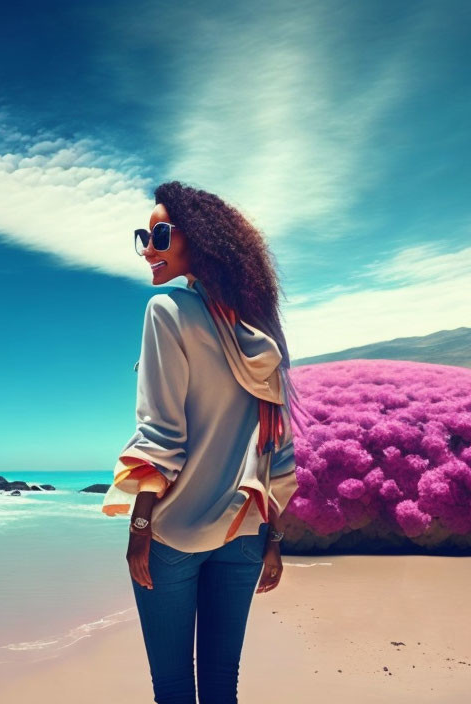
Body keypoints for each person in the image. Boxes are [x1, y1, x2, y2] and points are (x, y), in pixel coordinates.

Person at [101, 180, 307, 704]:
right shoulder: (262, 335)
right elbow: (275, 453)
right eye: (143, 237)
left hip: (173, 533)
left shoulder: (165, 312)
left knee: (172, 689)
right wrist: (274, 542)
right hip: (245, 535)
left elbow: (162, 436)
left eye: (161, 234)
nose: (148, 248)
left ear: (198, 240)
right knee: (221, 686)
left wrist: (141, 525)